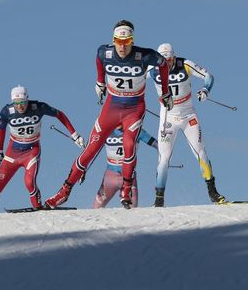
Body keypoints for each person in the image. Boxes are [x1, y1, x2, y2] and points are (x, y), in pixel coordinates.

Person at [45, 20, 173, 209]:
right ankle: (64, 192)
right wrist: (100, 82)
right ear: (113, 41)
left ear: (132, 41)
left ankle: (126, 188)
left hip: (133, 110)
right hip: (111, 108)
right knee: (90, 149)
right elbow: (98, 59)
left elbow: (163, 65)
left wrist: (165, 91)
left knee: (129, 145)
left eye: (127, 42)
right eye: (118, 42)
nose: (122, 47)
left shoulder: (144, 55)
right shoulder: (104, 52)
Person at [0, 85, 84, 213]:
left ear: (27, 99)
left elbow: (59, 114)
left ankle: (38, 207)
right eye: (16, 103)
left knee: (29, 182)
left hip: (31, 152)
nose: (20, 106)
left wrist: (74, 134)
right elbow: (0, 130)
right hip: (12, 154)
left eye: (23, 102)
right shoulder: (6, 112)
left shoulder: (38, 107)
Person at [148, 43, 225, 207]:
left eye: (169, 60)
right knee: (164, 159)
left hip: (188, 115)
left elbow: (208, 76)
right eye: (163, 61)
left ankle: (213, 192)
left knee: (201, 152)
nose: (167, 64)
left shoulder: (186, 65)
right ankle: (159, 199)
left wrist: (205, 90)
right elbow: (134, 79)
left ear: (174, 57)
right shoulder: (152, 68)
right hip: (168, 117)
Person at [93, 127, 157, 208]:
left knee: (132, 211)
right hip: (109, 179)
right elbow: (90, 149)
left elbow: (157, 145)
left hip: (129, 179)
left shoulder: (137, 130)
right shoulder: (106, 129)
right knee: (96, 209)